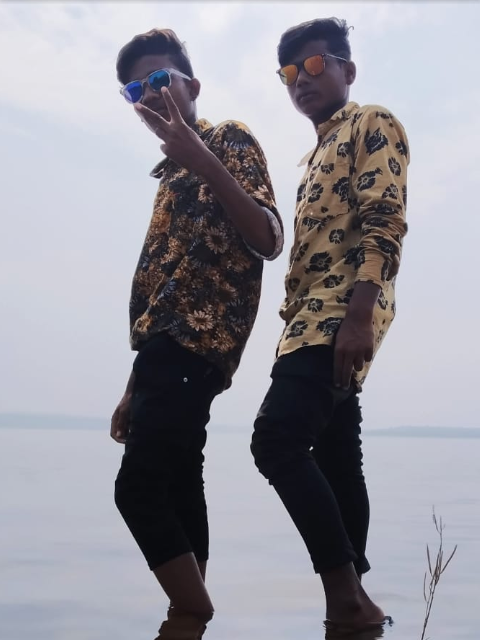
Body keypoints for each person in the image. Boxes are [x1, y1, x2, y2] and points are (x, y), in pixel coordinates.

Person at [110, 28, 283, 639]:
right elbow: (161, 293)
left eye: (160, 79)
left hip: (198, 344)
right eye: (136, 89)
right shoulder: (166, 178)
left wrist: (200, 157)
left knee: (137, 489)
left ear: (193, 86)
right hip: (162, 351)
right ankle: (190, 622)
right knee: (181, 479)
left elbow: (268, 238)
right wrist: (133, 385)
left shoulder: (227, 139)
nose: (151, 94)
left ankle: (192, 614)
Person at [250, 17, 409, 635]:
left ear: (347, 69)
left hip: (338, 315)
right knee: (340, 457)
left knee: (276, 441)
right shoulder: (316, 152)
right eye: (290, 72)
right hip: (309, 318)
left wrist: (360, 316)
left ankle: (345, 597)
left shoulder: (373, 121)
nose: (300, 80)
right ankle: (354, 606)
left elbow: (385, 219)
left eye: (314, 65)